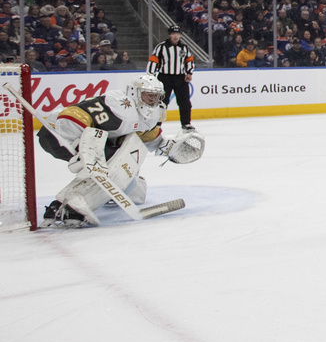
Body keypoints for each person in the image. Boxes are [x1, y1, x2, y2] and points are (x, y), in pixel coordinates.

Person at [36, 73, 205, 227]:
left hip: (86, 140)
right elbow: (73, 115)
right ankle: (69, 206)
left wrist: (168, 147)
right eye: (149, 96)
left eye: (156, 96)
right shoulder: (120, 105)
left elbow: (145, 136)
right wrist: (81, 147)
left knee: (133, 186)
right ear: (134, 93)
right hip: (58, 134)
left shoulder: (148, 113)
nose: (153, 101)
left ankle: (68, 205)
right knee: (113, 168)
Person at [147, 24, 196, 131]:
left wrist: (189, 73)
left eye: (178, 34)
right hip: (164, 78)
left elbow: (189, 61)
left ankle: (186, 123)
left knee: (185, 102)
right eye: (173, 34)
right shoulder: (161, 47)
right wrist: (151, 75)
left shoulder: (184, 48)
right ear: (169, 35)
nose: (176, 36)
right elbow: (153, 61)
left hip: (181, 78)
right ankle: (157, 123)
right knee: (161, 102)